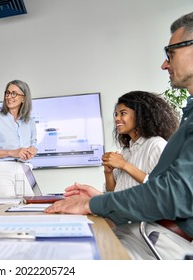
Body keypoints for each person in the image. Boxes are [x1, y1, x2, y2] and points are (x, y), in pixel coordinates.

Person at [45, 11, 193, 260]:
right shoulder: (187, 117)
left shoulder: (155, 143)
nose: (164, 64)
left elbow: (172, 194)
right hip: (147, 230)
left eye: (171, 53)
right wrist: (103, 198)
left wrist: (93, 204)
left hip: (163, 240)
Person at [103, 91, 178, 192]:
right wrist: (108, 172)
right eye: (116, 114)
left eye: (123, 113)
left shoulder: (156, 145)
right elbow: (111, 193)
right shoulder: (125, 151)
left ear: (140, 115)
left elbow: (164, 187)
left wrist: (124, 165)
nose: (116, 118)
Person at [0, 80, 38, 197]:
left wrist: (32, 150)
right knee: (4, 208)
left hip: (25, 169)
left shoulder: (30, 122)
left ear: (23, 98)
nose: (9, 97)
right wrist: (12, 152)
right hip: (2, 170)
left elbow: (34, 144)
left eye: (14, 93)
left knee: (30, 207)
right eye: (7, 93)